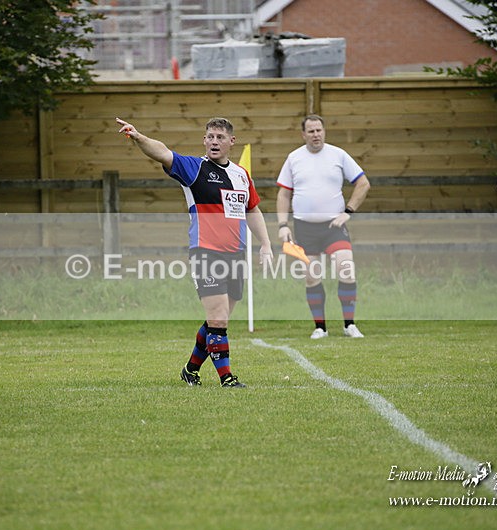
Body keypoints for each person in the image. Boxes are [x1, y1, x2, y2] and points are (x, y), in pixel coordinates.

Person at [115, 116, 272, 387]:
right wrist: (139, 137)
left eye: (220, 137)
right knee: (219, 318)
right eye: (209, 136)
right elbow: (163, 152)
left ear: (231, 142)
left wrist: (266, 245)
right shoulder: (194, 168)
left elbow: (252, 210)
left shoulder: (241, 175)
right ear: (204, 140)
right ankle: (227, 379)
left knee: (217, 321)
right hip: (206, 252)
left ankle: (190, 370)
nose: (214, 141)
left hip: (236, 254)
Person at [275, 114, 371, 339]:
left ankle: (349, 325)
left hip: (333, 227)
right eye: (311, 131)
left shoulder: (338, 155)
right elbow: (283, 193)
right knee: (311, 276)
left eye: (319, 130)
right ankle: (320, 327)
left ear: (324, 131)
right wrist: (282, 225)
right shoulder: (294, 158)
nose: (316, 135)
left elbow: (363, 183)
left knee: (345, 267)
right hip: (304, 228)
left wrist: (348, 212)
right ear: (303, 134)